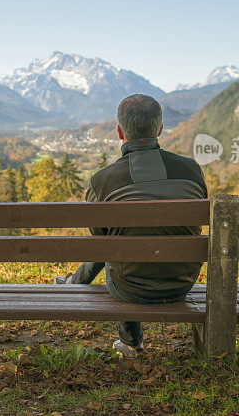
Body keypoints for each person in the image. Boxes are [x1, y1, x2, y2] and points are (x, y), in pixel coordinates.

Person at [55, 94, 208, 356]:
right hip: (182, 283)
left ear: (119, 132)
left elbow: (101, 243)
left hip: (130, 289)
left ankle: (132, 343)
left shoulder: (102, 181)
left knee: (115, 247)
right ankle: (76, 283)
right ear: (159, 129)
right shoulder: (191, 170)